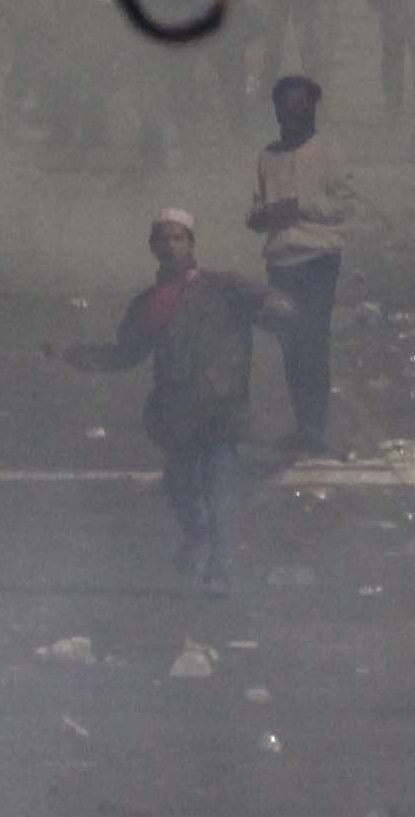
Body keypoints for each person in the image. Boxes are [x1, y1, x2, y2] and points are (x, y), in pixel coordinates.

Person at [56, 211, 271, 591]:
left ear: (191, 242)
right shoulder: (151, 302)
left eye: (178, 238)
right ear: (153, 246)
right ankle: (198, 535)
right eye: (164, 239)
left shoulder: (225, 287)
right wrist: (73, 354)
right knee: (180, 485)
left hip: (222, 405)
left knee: (219, 488)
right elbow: (126, 353)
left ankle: (218, 567)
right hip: (179, 409)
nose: (171, 246)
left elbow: (272, 307)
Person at [242, 73, 353, 450]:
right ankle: (304, 423)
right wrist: (262, 217)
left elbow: (343, 205)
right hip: (281, 262)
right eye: (284, 106)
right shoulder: (267, 156)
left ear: (312, 108)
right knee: (291, 340)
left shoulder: (328, 151)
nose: (291, 113)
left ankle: (314, 427)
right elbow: (257, 208)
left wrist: (301, 206)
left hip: (318, 258)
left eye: (299, 105)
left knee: (312, 339)